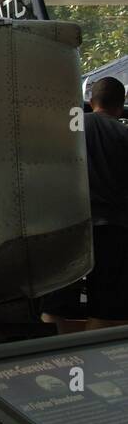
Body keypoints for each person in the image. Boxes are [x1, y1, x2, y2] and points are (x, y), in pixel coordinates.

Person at [69, 76, 128, 331]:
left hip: (69, 229)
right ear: (120, 105)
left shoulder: (69, 128)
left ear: (91, 100)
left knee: (57, 305)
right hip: (112, 229)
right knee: (107, 306)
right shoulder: (122, 134)